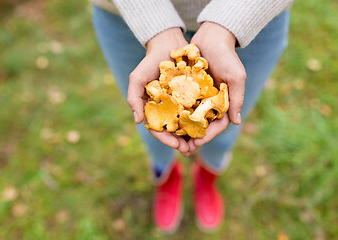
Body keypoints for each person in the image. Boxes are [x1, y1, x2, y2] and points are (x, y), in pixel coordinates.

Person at [91, 0, 294, 233]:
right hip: (128, 12)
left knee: (226, 129)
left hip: (255, 13)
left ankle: (207, 178)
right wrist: (155, 24)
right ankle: (166, 178)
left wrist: (230, 21)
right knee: (151, 132)